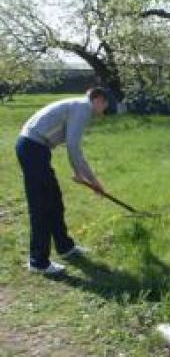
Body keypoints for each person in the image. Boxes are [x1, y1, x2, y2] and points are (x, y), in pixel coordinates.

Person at [15, 88, 109, 275]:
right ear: (97, 99)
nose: (105, 109)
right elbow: (73, 146)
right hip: (33, 148)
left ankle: (65, 247)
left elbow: (71, 144)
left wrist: (82, 175)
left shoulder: (78, 105)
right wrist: (89, 179)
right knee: (41, 206)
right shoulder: (83, 107)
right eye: (105, 104)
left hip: (35, 148)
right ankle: (38, 262)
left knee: (54, 201)